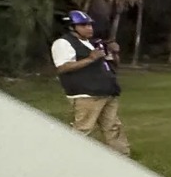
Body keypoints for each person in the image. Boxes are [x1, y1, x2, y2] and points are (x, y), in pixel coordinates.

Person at [51, 10, 130, 156]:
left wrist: (115, 52)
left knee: (113, 126)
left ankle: (122, 156)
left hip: (106, 91)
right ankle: (71, 157)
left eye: (90, 25)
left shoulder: (94, 43)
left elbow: (112, 64)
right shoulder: (63, 43)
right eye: (83, 25)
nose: (89, 28)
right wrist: (90, 59)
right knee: (84, 128)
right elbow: (63, 67)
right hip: (86, 93)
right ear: (71, 27)